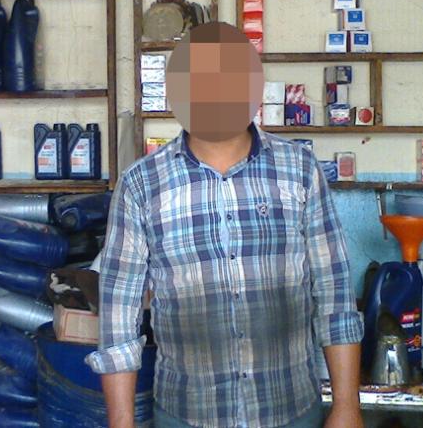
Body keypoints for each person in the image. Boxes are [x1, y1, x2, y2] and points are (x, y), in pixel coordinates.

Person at [86, 22, 364, 428]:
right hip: (188, 414)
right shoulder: (141, 184)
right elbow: (118, 317)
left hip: (290, 409)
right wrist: (122, 423)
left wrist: (347, 406)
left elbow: (334, 293)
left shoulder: (300, 169)